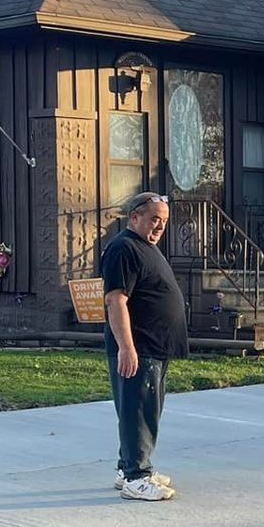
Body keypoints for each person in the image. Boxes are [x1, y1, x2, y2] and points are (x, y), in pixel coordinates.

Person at [101, 192, 189, 501]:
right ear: (134, 217)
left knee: (144, 408)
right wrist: (127, 347)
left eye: (164, 221)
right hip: (139, 345)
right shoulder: (123, 248)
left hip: (155, 345)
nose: (159, 226)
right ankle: (137, 477)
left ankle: (129, 468)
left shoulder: (145, 247)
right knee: (138, 409)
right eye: (154, 219)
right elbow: (116, 300)